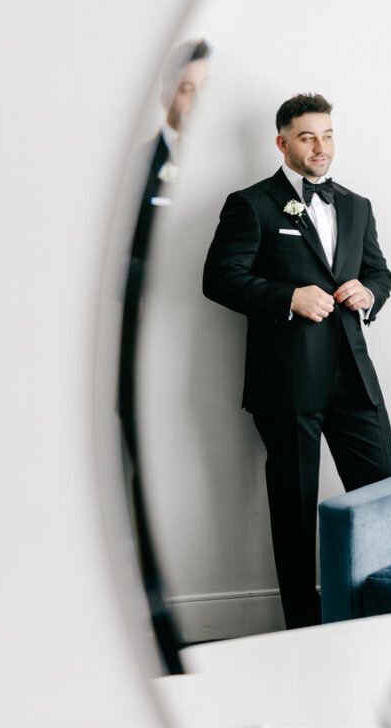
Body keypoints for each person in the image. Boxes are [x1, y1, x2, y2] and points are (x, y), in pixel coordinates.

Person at [202, 92, 391, 629]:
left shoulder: (356, 205)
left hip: (354, 379)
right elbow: (219, 278)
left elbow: (380, 273)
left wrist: (369, 294)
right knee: (293, 516)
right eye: (308, 136)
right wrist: (288, 298)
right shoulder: (252, 203)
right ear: (282, 141)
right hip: (287, 384)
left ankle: (381, 618)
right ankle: (303, 632)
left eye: (328, 134)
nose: (321, 146)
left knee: (386, 499)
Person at [117, 37, 211, 673]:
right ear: (163, 94)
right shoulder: (133, 171)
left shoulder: (235, 179)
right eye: (185, 90)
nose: (195, 103)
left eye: (204, 90)